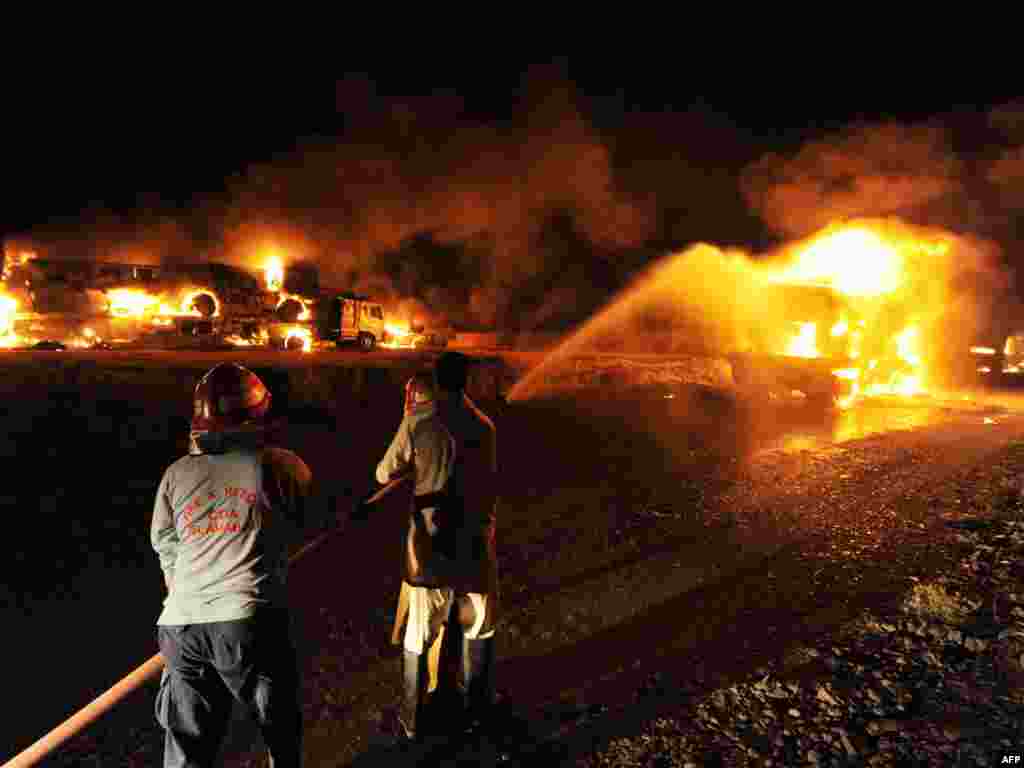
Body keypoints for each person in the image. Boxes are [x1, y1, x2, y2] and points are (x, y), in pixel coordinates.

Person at [151, 363, 312, 768]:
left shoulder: (176, 473)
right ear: (258, 414)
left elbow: (164, 542)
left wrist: (187, 590)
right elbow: (305, 515)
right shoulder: (279, 466)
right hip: (247, 620)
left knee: (188, 747)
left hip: (180, 625)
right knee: (279, 726)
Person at [373, 352, 499, 743]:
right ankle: (476, 711)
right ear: (467, 382)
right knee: (479, 625)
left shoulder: (418, 423)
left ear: (437, 382)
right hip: (475, 545)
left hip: (431, 546)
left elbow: (383, 472)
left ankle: (413, 718)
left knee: (420, 632)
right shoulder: (485, 426)